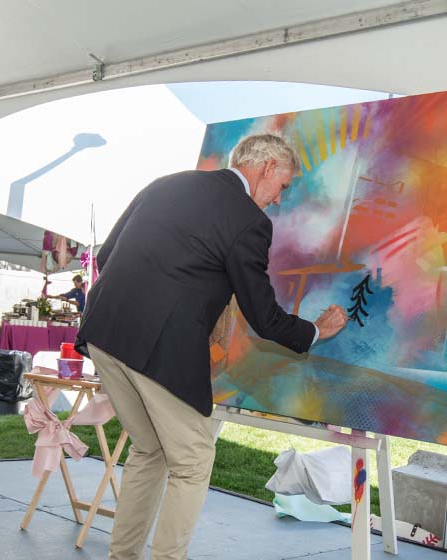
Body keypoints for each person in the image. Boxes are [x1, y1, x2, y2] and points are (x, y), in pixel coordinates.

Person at [76, 134, 348, 559]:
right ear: (266, 167)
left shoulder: (167, 183)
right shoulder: (248, 220)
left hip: (103, 334)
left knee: (150, 449)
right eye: (283, 185)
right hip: (157, 348)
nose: (279, 199)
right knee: (193, 459)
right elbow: (263, 314)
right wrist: (314, 330)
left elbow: (107, 255)